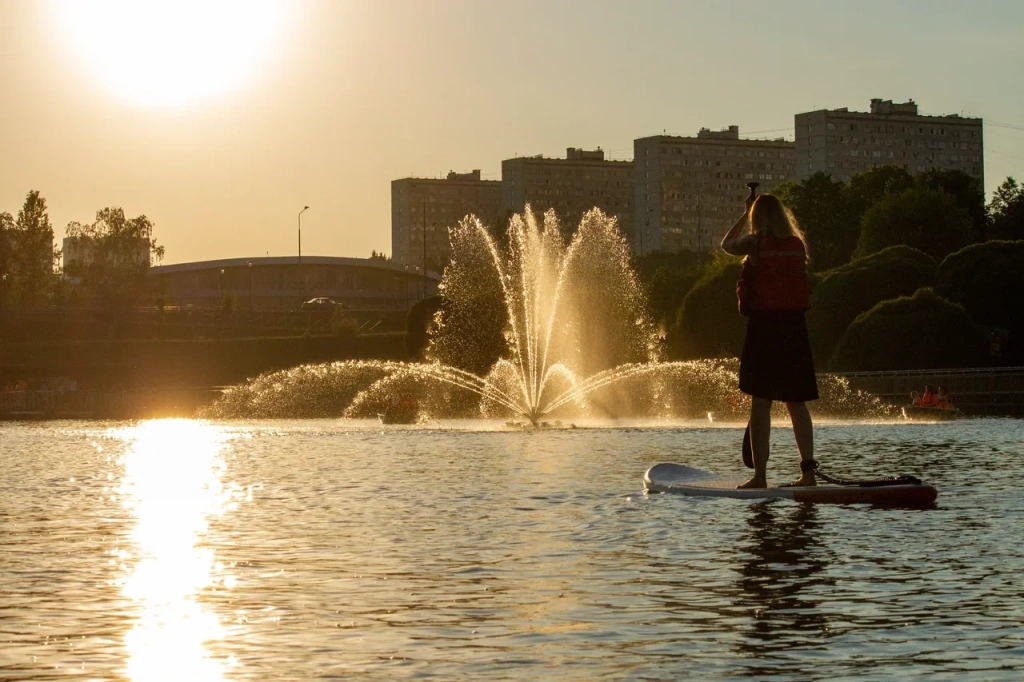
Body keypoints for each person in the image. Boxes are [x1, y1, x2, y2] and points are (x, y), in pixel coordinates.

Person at [723, 193, 819, 489]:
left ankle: (761, 477)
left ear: (757, 217)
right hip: (794, 329)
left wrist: (743, 214)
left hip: (765, 327)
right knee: (796, 403)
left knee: (761, 402)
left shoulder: (756, 243)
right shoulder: (797, 245)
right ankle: (808, 474)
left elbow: (726, 245)